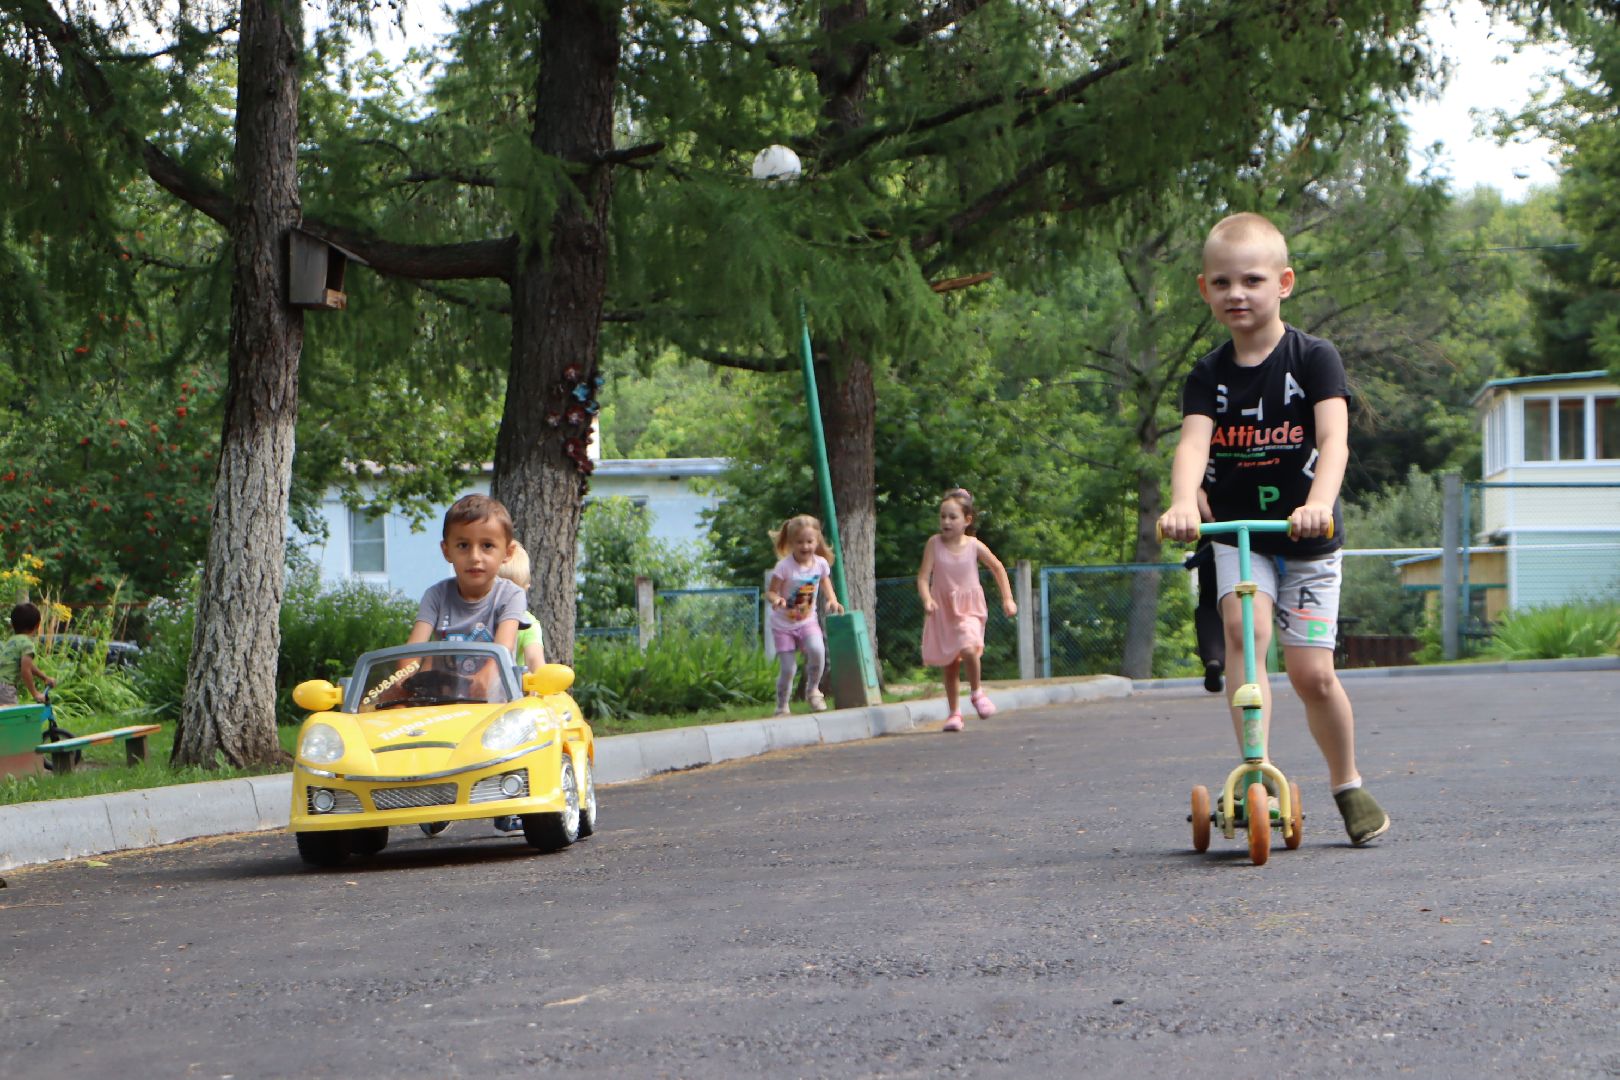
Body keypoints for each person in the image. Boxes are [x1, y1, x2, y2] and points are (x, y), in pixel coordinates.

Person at [1158, 211, 1390, 846]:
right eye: (1223, 282)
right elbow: (1192, 444)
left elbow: (1333, 438)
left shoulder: (1313, 358)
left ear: (1283, 283)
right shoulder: (1207, 375)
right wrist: (1183, 500)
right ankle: (1256, 772)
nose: (1238, 293)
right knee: (1243, 630)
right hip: (1240, 535)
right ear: (1204, 289)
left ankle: (1346, 783)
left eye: (1253, 280)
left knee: (1313, 674)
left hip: (1308, 539)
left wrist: (1319, 501)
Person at [407, 493, 528, 837]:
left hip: (492, 694)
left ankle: (510, 799)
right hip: (444, 695)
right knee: (422, 734)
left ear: (507, 552)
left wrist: (482, 680)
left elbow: (503, 648)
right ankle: (434, 798)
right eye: (463, 546)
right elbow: (413, 650)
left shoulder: (510, 595)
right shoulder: (437, 595)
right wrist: (403, 678)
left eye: (487, 546)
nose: (475, 557)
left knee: (508, 732)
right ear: (446, 550)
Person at [917, 488, 1016, 732]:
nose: (946, 522)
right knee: (950, 664)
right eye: (943, 517)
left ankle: (977, 693)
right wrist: (927, 598)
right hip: (943, 610)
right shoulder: (934, 544)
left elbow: (998, 567)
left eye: (952, 517)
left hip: (969, 608)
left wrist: (1008, 599)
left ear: (966, 520)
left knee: (969, 648)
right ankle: (954, 713)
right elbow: (922, 577)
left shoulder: (974, 546)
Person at [766, 514, 844, 716]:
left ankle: (813, 691)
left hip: (807, 621)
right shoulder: (784, 567)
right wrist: (777, 600)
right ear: (791, 543)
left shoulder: (820, 564)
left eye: (809, 542)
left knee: (818, 651)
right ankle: (782, 704)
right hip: (783, 626)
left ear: (817, 541)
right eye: (799, 542)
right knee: (788, 668)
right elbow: (771, 591)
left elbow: (826, 584)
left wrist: (832, 600)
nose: (805, 546)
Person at [1184, 489, 1226, 694]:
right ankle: (1242, 662)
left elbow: (1196, 485)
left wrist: (1208, 515)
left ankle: (1213, 658)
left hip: (1214, 538)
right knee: (1250, 602)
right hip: (1231, 538)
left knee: (1210, 603)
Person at [498, 541, 546, 674]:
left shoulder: (529, 624)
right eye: (500, 592)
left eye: (515, 594)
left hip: (513, 690)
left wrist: (538, 677)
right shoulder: (481, 617)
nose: (508, 600)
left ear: (525, 589)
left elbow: (534, 659)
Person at [1, 602, 56, 707]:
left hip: (2, 684)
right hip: (6, 687)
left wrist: (44, 677)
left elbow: (28, 665)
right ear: (38, 625)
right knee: (11, 719)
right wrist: (35, 694)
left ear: (12, 624)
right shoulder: (27, 644)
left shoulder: (11, 641)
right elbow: (25, 670)